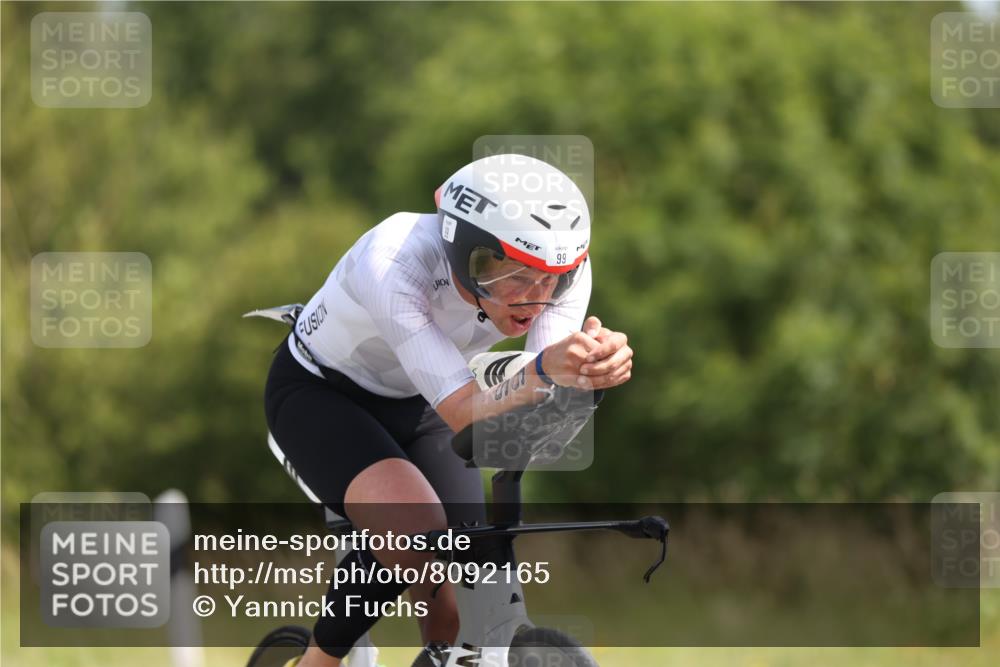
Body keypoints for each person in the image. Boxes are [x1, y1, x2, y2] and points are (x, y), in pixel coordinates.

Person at [263, 153, 634, 667]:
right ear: (463, 251)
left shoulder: (562, 268)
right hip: (322, 394)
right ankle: (316, 662)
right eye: (512, 275)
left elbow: (532, 399)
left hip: (423, 399)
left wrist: (592, 371)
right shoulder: (393, 260)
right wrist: (547, 368)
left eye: (553, 280)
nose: (533, 299)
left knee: (453, 608)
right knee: (416, 533)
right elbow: (468, 409)